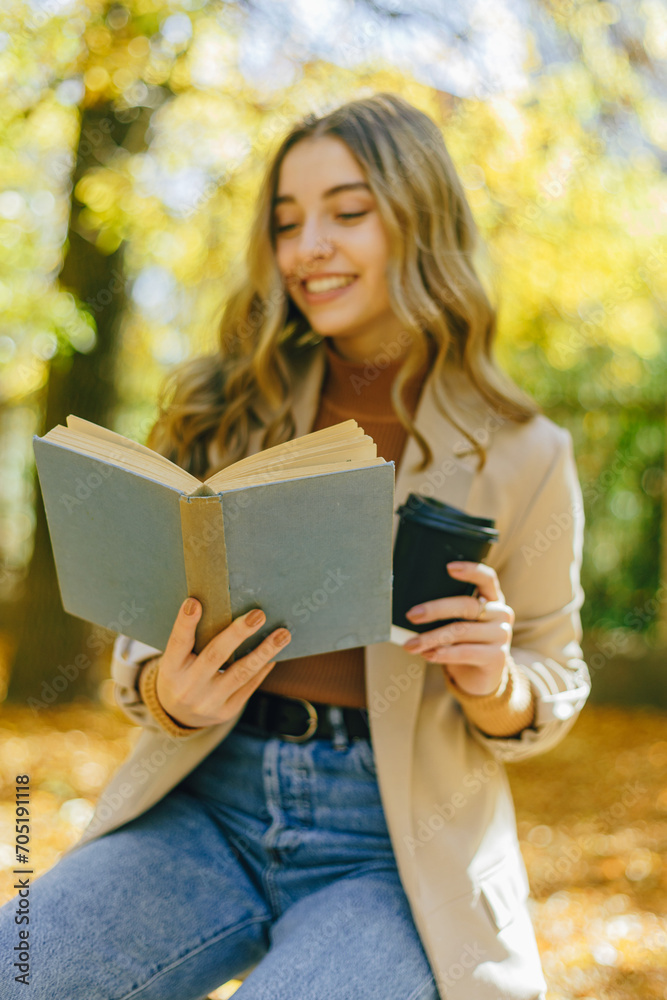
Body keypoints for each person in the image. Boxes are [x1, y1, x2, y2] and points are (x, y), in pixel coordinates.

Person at [0, 92, 591, 1000]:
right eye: (287, 222)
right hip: (203, 802)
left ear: (419, 218)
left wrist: (496, 681)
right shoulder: (224, 405)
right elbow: (143, 634)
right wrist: (170, 689)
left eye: (347, 212)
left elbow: (555, 670)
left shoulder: (525, 450)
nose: (308, 246)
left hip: (392, 849)